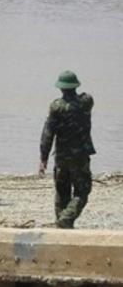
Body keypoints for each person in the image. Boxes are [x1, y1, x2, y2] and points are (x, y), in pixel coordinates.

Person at [39, 70, 95, 228]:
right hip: (81, 157)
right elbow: (86, 96)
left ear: (61, 88)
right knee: (82, 192)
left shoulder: (56, 107)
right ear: (75, 86)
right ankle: (66, 219)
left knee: (62, 192)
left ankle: (62, 222)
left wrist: (43, 159)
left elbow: (47, 135)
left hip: (62, 157)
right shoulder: (86, 103)